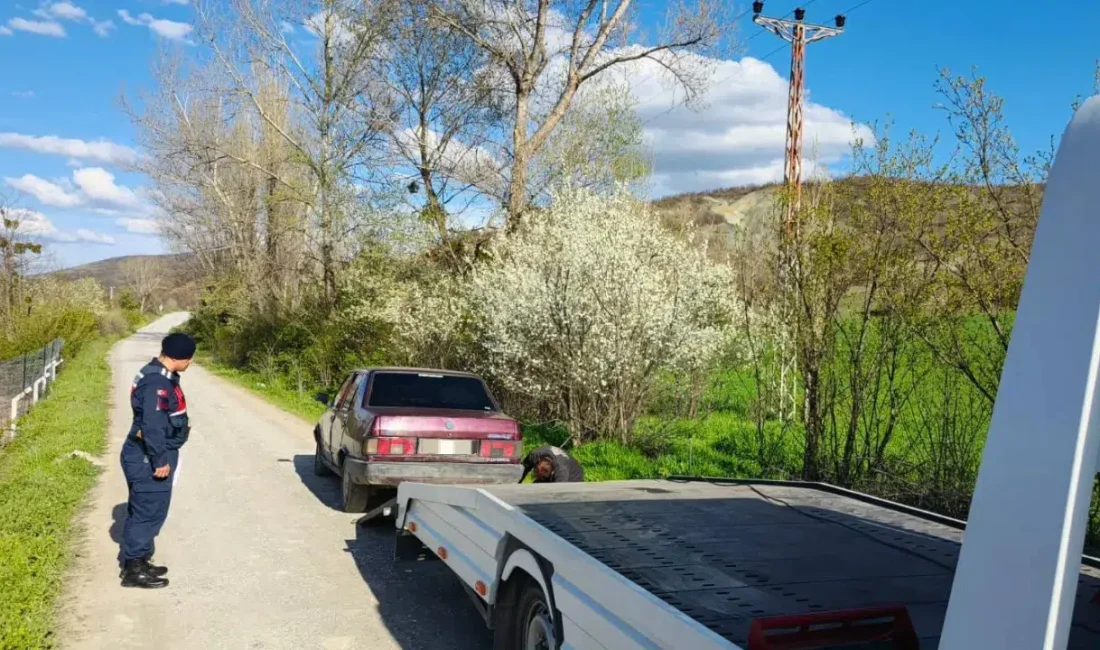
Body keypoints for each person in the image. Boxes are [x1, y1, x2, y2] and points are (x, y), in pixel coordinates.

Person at [118, 332, 195, 589]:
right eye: (189, 358)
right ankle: (133, 570)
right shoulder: (157, 383)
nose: (190, 363)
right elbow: (152, 426)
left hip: (146, 453)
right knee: (147, 512)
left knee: (147, 509)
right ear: (181, 357)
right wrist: (159, 460)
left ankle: (140, 559)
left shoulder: (159, 374)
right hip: (147, 456)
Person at [519, 445, 584, 483]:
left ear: (551, 472)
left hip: (573, 478)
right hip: (556, 469)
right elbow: (524, 469)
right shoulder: (535, 455)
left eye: (542, 477)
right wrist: (517, 483)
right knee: (535, 487)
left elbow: (558, 491)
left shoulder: (561, 470)